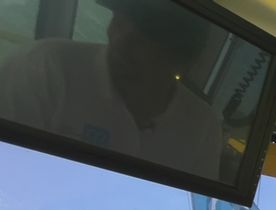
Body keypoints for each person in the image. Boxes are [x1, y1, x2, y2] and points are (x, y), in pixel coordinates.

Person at [0, 0, 223, 179]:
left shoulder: (203, 127)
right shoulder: (43, 67)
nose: (121, 40)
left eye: (144, 35)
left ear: (182, 60)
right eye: (120, 20)